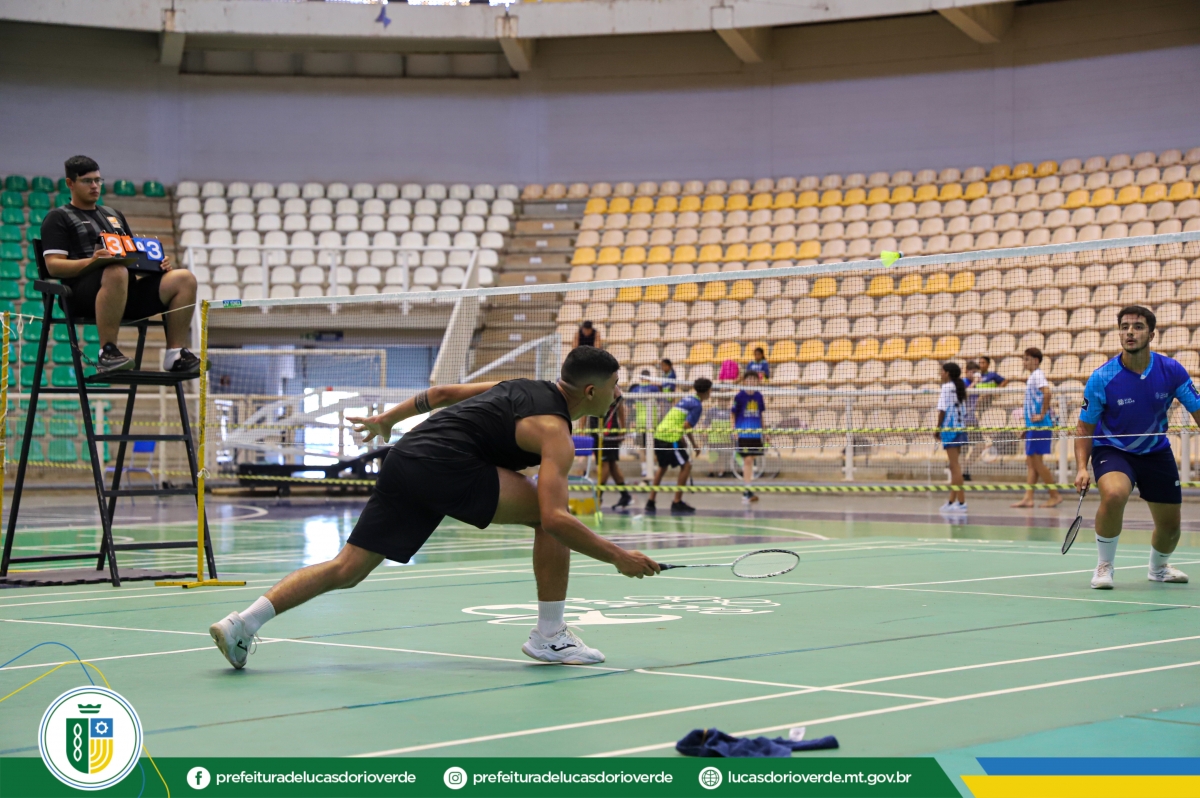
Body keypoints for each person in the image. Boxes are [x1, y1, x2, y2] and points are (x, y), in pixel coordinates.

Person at [208, 347, 661, 670]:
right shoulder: (555, 433)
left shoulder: (522, 386)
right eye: (615, 386)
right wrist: (618, 556)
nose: (618, 393)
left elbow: (442, 393)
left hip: (406, 456)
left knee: (348, 568)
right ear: (590, 391)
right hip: (447, 464)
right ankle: (550, 635)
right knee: (548, 518)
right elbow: (556, 519)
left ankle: (243, 623)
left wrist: (388, 419)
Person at [1075, 306, 1200, 590]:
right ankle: (1104, 565)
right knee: (1114, 493)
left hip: (1156, 450)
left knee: (1171, 527)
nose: (1130, 332)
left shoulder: (1171, 370)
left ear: (1152, 334)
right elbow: (1084, 428)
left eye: (1138, 327)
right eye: (1124, 327)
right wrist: (1082, 467)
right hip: (1113, 449)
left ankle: (1158, 568)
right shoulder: (1102, 377)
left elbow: (1197, 409)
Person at [39, 155, 199, 373]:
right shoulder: (58, 217)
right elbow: (54, 266)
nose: (95, 186)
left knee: (184, 279)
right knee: (116, 270)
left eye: (98, 180)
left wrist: (156, 265)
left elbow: (133, 257)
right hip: (81, 295)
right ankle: (108, 352)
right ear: (70, 183)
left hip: (125, 291)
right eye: (87, 181)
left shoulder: (114, 215)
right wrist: (93, 261)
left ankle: (175, 355)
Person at [645, 377, 711, 514]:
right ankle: (677, 502)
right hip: (670, 437)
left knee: (662, 467)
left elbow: (681, 423)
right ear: (707, 391)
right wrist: (691, 443)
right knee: (686, 465)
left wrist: (686, 440)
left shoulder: (687, 398)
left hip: (660, 434)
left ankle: (650, 501)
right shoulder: (697, 405)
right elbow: (686, 425)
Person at [1012, 347, 1062, 508]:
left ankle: (1055, 495)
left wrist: (1041, 414)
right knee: (1031, 462)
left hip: (1040, 426)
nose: (1024, 362)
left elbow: (1047, 393)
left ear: (1035, 360)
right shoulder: (1033, 376)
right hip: (1033, 426)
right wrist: (1027, 427)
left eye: (1026, 359)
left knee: (1037, 463)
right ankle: (1028, 498)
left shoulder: (1037, 375)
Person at [937, 362, 969, 513]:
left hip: (950, 430)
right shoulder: (959, 386)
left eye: (942, 371)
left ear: (947, 373)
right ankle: (951, 501)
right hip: (960, 428)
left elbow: (942, 410)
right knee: (954, 466)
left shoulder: (946, 388)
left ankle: (961, 502)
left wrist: (938, 429)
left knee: (955, 466)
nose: (940, 374)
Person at [732, 370, 766, 503]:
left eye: (754, 379)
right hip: (743, 433)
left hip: (756, 434)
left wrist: (765, 432)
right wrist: (734, 430)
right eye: (749, 379)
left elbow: (761, 415)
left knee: (751, 460)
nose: (751, 381)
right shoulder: (739, 396)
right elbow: (733, 414)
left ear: (757, 381)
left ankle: (749, 489)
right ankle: (747, 491)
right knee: (747, 460)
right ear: (745, 381)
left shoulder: (759, 396)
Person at [596, 396, 632, 509]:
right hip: (596, 430)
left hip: (607, 432)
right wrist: (582, 429)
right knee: (612, 465)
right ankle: (625, 495)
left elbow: (620, 405)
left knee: (605, 464)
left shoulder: (612, 390)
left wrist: (623, 428)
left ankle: (598, 497)